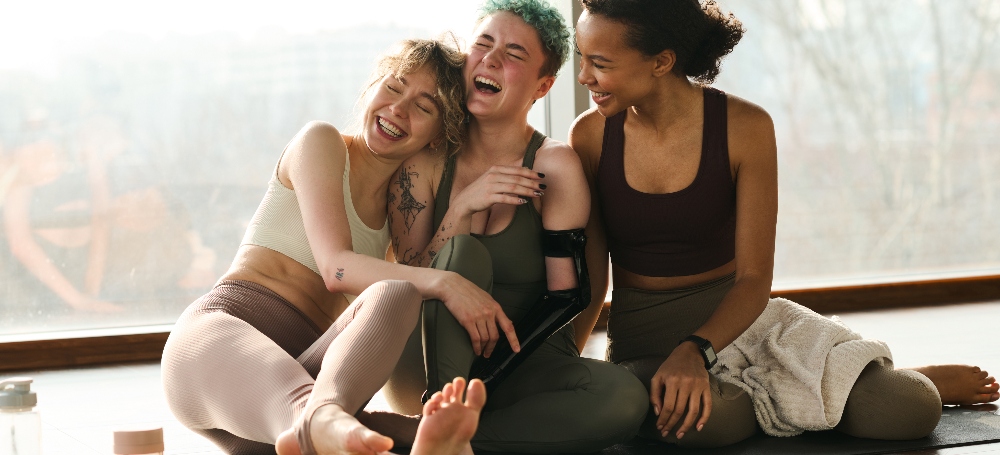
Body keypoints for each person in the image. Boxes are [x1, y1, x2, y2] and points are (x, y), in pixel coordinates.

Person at [569, 0, 1000, 448]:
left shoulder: (745, 126)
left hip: (744, 322)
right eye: (583, 58)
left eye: (599, 63)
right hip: (646, 336)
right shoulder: (590, 137)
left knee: (908, 407)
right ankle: (816, 391)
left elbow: (755, 279)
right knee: (702, 424)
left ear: (662, 61)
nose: (584, 76)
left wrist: (694, 351)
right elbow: (593, 278)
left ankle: (891, 375)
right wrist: (565, 364)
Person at [161, 38, 515, 455]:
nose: (398, 108)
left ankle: (377, 432)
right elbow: (336, 268)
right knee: (318, 406)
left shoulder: (398, 215)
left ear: (438, 137)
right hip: (217, 346)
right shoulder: (323, 143)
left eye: (424, 107)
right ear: (372, 88)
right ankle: (361, 427)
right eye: (394, 86)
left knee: (397, 293)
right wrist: (446, 283)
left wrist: (465, 205)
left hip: (302, 381)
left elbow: (417, 274)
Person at [384, 1, 648, 453]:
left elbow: (565, 297)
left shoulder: (554, 167)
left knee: (624, 397)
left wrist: (493, 374)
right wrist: (460, 210)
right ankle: (444, 418)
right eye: (482, 45)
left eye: (514, 54)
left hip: (522, 359)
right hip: (426, 365)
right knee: (462, 254)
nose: (490, 59)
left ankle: (435, 438)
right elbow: (408, 282)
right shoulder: (423, 162)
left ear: (543, 86)